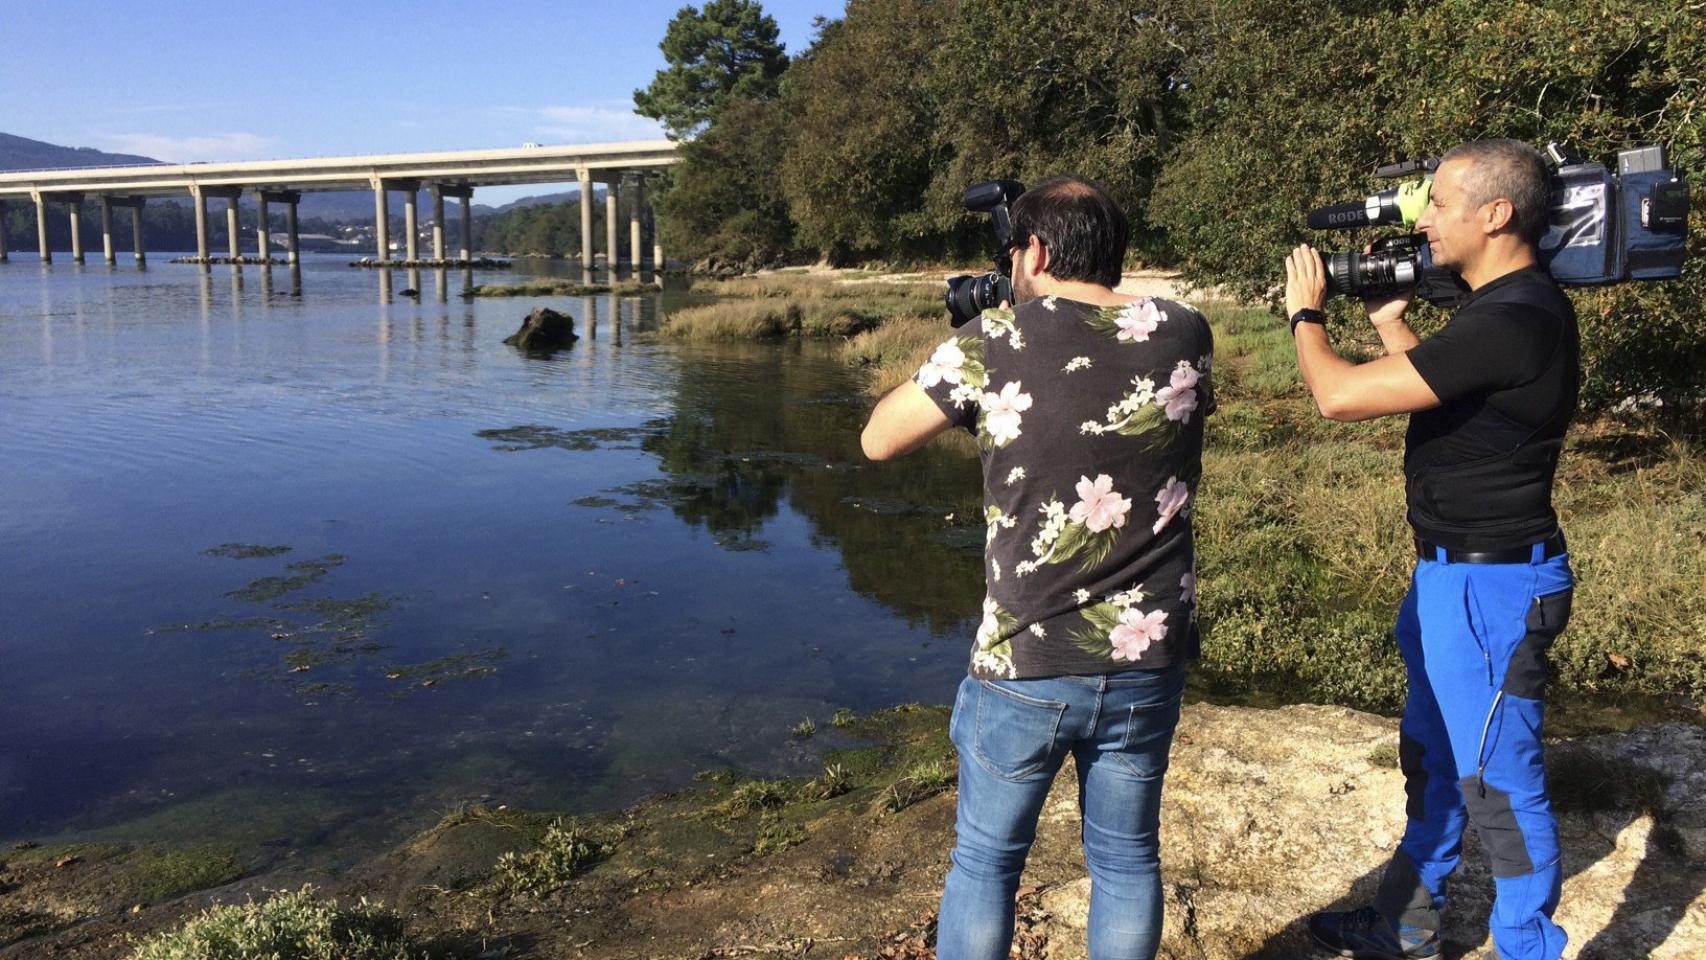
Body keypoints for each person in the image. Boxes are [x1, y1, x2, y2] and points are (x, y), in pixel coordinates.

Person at [862, 176, 1214, 960]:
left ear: (1038, 252)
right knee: (1127, 859)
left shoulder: (992, 341)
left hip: (1027, 661)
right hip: (1148, 656)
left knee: (986, 864)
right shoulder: (1186, 329)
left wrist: (976, 338)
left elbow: (878, 439)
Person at [1282, 139, 1579, 960]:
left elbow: (1338, 396)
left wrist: (1307, 314)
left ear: (1496, 214)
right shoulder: (1500, 311)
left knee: (1499, 786)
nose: (1425, 221)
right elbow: (1446, 398)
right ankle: (1403, 926)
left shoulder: (1517, 317)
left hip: (1494, 589)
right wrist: (1389, 321)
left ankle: (1529, 946)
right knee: (1435, 759)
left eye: (1440, 204)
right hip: (1452, 579)